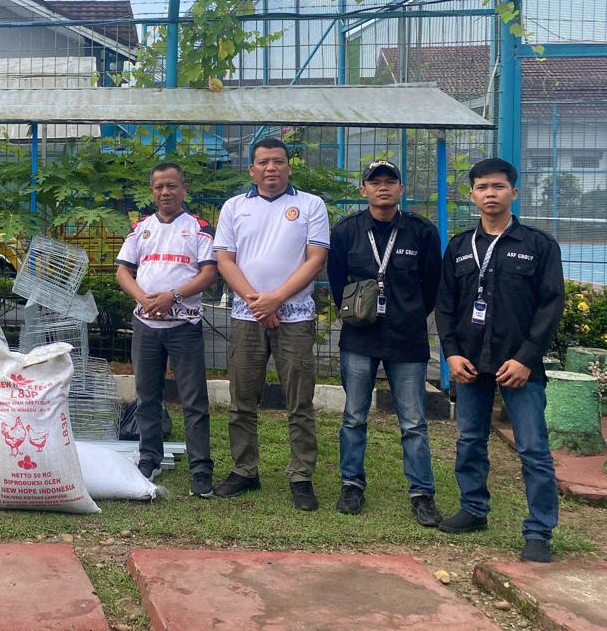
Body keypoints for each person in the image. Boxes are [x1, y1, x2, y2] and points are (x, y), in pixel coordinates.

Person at [436, 157, 564, 562]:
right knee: (469, 440)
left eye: (498, 186)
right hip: (471, 363)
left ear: (514, 192)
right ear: (471, 195)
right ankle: (473, 509)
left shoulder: (538, 245)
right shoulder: (460, 246)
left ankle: (539, 531)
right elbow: (445, 305)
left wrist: (526, 358)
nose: (490, 193)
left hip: (519, 367)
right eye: (482, 187)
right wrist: (452, 353)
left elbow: (550, 307)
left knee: (533, 449)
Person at [213, 136, 330, 510]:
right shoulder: (234, 207)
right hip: (246, 316)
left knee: (300, 400)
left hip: (295, 317)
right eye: (263, 162)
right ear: (252, 169)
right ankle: (245, 469)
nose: (271, 168)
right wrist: (258, 302)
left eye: (278, 161)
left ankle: (301, 476)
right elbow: (225, 260)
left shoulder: (310, 205)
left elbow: (316, 258)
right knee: (242, 399)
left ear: (288, 167)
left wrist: (277, 299)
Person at [327, 159, 443, 525]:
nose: (382, 188)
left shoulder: (422, 232)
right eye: (374, 182)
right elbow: (336, 282)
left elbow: (432, 286)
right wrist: (358, 314)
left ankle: (422, 493)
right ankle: (351, 484)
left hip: (407, 340)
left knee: (413, 422)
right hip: (359, 339)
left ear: (401, 189)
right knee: (353, 416)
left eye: (390, 182)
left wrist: (409, 314)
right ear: (363, 190)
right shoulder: (346, 231)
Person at [115, 163, 218, 494]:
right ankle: (149, 458)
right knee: (147, 396)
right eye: (159, 187)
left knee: (194, 399)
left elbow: (209, 273)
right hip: (146, 325)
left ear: (184, 188)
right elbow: (122, 271)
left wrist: (172, 296)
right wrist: (142, 297)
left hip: (184, 325)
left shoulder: (199, 227)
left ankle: (200, 469)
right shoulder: (141, 228)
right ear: (152, 191)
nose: (165, 192)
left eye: (172, 185)